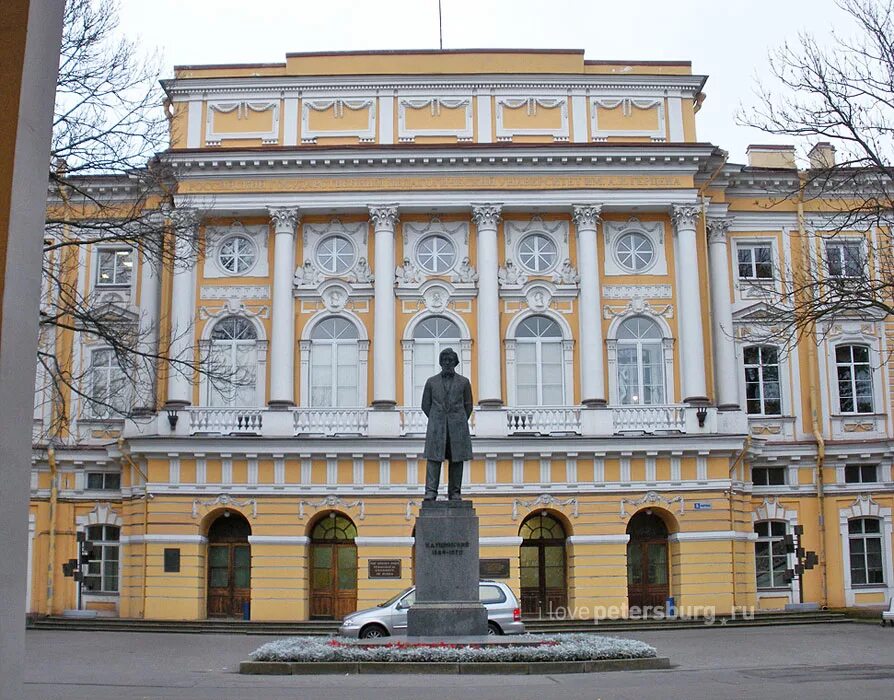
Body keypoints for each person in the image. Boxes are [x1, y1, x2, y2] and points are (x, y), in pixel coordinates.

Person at [421, 348, 473, 501]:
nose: (447, 363)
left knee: (457, 460)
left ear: (455, 363)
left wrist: (458, 419)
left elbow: (468, 405)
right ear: (441, 362)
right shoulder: (431, 382)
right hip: (437, 427)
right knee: (433, 459)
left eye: (450, 360)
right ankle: (431, 491)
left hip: (458, 427)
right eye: (445, 360)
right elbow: (425, 405)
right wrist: (437, 419)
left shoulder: (464, 382)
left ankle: (455, 492)